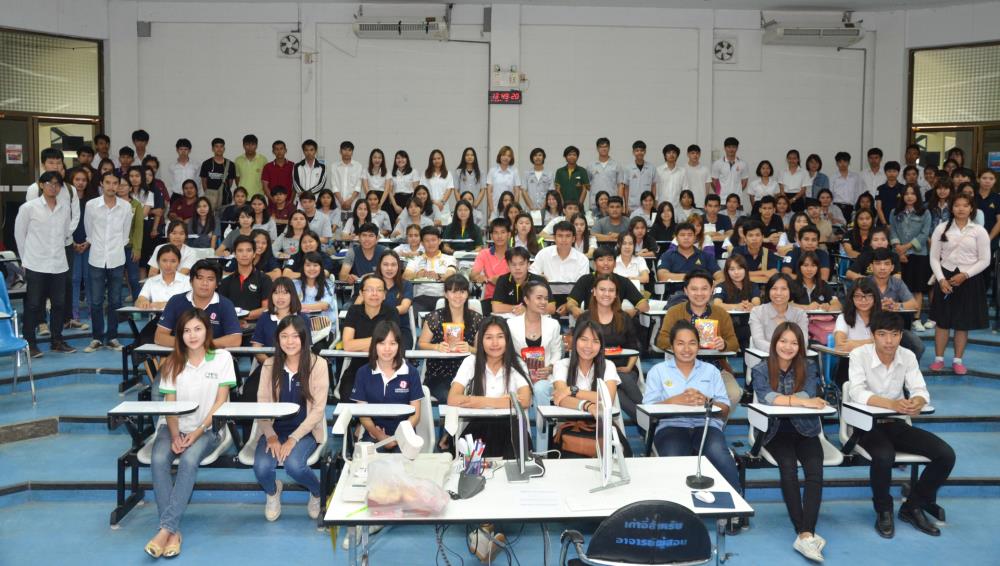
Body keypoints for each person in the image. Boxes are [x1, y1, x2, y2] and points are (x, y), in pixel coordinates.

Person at [848, 312, 955, 538]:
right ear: (873, 335)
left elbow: (920, 389)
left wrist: (917, 402)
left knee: (946, 455)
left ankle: (913, 506)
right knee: (884, 456)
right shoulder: (859, 354)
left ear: (901, 335)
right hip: (865, 425)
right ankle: (883, 510)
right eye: (882, 334)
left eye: (894, 334)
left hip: (896, 423)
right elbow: (856, 392)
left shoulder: (907, 356)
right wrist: (892, 404)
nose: (889, 340)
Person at [145, 309, 235, 559]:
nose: (192, 335)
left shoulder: (222, 358)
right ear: (180, 334)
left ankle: (165, 530)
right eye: (186, 330)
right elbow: (170, 405)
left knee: (189, 459)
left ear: (207, 330)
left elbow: (220, 402)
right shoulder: (172, 362)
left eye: (197, 329)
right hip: (172, 426)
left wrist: (197, 432)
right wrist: (175, 435)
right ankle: (172, 532)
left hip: (208, 428)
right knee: (158, 459)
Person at [751, 323, 828, 561]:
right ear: (775, 342)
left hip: (806, 430)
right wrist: (802, 401)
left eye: (794, 342)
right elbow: (768, 397)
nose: (788, 347)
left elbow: (809, 392)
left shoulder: (809, 366)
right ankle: (804, 533)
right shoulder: (760, 368)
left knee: (815, 470)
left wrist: (798, 399)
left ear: (800, 346)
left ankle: (806, 533)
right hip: (775, 432)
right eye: (783, 341)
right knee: (789, 468)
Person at [643, 320, 739, 490]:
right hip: (671, 426)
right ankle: (678, 504)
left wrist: (707, 402)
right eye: (680, 343)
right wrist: (674, 400)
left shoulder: (711, 371)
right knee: (674, 461)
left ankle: (735, 503)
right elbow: (647, 410)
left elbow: (724, 410)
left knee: (722, 458)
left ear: (699, 346)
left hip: (706, 426)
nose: (686, 349)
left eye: (692, 343)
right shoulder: (658, 371)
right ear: (672, 346)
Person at [253, 315, 329, 521]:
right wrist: (271, 436)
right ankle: (272, 492)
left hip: (304, 431)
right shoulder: (269, 365)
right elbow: (262, 405)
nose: (290, 341)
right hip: (274, 431)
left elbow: (318, 410)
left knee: (294, 465)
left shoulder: (318, 364)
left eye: (295, 336)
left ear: (304, 338)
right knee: (261, 467)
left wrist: (294, 438)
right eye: (284, 336)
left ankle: (317, 492)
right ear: (278, 339)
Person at [448, 316, 532, 458]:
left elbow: (525, 400)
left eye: (500, 337)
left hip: (511, 427)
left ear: (507, 339)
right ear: (481, 340)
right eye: (488, 337)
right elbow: (452, 398)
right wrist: (505, 401)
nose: (495, 343)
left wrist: (476, 401)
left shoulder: (517, 364)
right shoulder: (470, 362)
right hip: (478, 426)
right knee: (470, 463)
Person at [928, 193, 990, 375]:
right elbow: (934, 257)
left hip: (970, 277)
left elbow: (985, 260)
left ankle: (958, 360)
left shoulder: (979, 231)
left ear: (971, 208)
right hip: (945, 276)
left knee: (963, 323)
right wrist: (941, 279)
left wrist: (966, 274)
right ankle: (939, 359)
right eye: (957, 205)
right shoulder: (941, 228)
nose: (961, 209)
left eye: (965, 205)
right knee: (942, 321)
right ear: (951, 208)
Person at [15, 171, 76, 356]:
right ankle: (29, 343)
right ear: (41, 185)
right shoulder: (29, 208)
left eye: (57, 184)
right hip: (36, 263)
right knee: (34, 305)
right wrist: (25, 259)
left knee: (59, 304)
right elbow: (19, 234)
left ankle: (57, 340)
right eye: (49, 183)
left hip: (58, 263)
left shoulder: (64, 208)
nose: (53, 187)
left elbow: (65, 233)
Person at [575, 274, 642, 420]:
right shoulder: (584, 318)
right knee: (616, 386)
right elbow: (578, 349)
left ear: (616, 294)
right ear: (594, 291)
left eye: (611, 290)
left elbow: (634, 347)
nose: (606, 294)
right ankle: (647, 417)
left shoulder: (624, 317)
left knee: (623, 378)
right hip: (594, 369)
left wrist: (629, 367)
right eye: (602, 289)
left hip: (624, 368)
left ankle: (646, 420)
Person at [351, 320, 423, 453]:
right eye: (382, 343)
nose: (387, 349)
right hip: (374, 433)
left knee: (402, 463)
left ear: (399, 345)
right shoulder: (363, 373)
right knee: (371, 463)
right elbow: (363, 414)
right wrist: (379, 435)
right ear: (374, 345)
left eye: (392, 343)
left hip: (405, 434)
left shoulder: (411, 372)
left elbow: (416, 415)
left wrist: (398, 436)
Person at [84, 172, 133, 353]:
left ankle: (112, 337)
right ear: (101, 184)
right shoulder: (91, 205)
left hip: (117, 258)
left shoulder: (126, 207)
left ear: (119, 185)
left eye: (115, 183)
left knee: (115, 301)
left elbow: (125, 234)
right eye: (108, 182)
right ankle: (96, 338)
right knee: (96, 301)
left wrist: (115, 248)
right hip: (96, 258)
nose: (111, 186)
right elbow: (89, 231)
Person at [418, 274, 482, 402]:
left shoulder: (476, 319)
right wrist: (436, 347)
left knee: (479, 396)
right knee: (451, 398)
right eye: (453, 291)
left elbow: (481, 350)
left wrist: (470, 349)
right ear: (446, 294)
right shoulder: (434, 317)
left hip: (469, 373)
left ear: (467, 294)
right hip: (438, 374)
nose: (458, 296)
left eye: (462, 292)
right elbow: (422, 344)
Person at [155, 260, 243, 348]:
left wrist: (203, 345)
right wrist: (189, 344)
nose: (204, 283)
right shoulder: (176, 301)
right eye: (200, 278)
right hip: (182, 353)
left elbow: (236, 339)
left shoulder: (225, 305)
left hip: (213, 354)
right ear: (191, 281)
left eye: (210, 279)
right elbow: (159, 337)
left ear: (217, 284)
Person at [341, 274, 401, 399]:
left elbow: (391, 344)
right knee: (348, 397)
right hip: (357, 367)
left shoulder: (391, 312)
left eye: (379, 290)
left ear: (384, 294)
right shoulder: (353, 311)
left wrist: (359, 345)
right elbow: (347, 345)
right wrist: (379, 341)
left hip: (386, 366)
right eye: (369, 289)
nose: (374, 294)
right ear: (361, 293)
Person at [549, 320, 620, 417]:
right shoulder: (561, 365)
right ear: (575, 341)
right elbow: (561, 398)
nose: (589, 346)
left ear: (601, 346)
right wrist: (588, 406)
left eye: (595, 341)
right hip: (569, 422)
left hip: (601, 423)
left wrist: (572, 391)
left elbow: (608, 399)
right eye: (584, 339)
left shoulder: (608, 365)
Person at [507, 281, 563, 402]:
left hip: (545, 378)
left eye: (546, 298)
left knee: (540, 388)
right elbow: (508, 353)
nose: (543, 302)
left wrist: (550, 368)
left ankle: (543, 415)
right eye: (539, 298)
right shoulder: (511, 324)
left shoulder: (553, 324)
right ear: (526, 300)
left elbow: (557, 352)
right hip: (518, 375)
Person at [889, 185, 932, 331]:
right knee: (897, 287)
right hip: (898, 255)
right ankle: (897, 318)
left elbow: (924, 234)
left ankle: (916, 319)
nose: (909, 196)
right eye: (906, 193)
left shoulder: (925, 212)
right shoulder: (895, 212)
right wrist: (899, 251)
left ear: (917, 196)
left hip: (918, 255)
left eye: (913, 193)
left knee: (917, 288)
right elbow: (893, 231)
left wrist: (906, 247)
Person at [567, 246, 649, 318]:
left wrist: (635, 311)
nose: (605, 263)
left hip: (615, 323)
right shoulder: (585, 280)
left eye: (610, 260)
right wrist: (573, 308)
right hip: (590, 322)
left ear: (615, 264)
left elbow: (644, 304)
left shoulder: (623, 281)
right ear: (594, 264)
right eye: (601, 260)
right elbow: (570, 302)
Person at [133, 244, 192, 342]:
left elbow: (189, 304)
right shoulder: (151, 281)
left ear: (178, 262)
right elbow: (139, 300)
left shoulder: (188, 281)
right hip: (159, 321)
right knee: (141, 342)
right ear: (158, 262)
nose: (168, 265)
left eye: (173, 261)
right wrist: (142, 301)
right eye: (164, 260)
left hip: (183, 322)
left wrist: (164, 304)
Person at [529, 221, 590, 311]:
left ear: (573, 238)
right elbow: (531, 276)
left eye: (568, 236)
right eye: (560, 236)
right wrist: (539, 278)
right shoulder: (543, 254)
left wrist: (567, 306)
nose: (564, 240)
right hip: (546, 301)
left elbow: (582, 287)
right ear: (554, 238)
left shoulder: (582, 259)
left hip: (573, 302)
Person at [402, 226, 457, 319]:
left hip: (443, 297)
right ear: (422, 243)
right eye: (427, 241)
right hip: (421, 298)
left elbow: (451, 274)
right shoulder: (415, 259)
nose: (430, 243)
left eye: (433, 240)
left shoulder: (449, 258)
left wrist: (438, 276)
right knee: (409, 319)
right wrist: (418, 275)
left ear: (439, 241)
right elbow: (405, 276)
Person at [218, 235, 271, 325]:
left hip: (256, 327)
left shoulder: (265, 279)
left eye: (248, 250)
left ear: (254, 254)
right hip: (231, 326)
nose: (244, 254)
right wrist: (236, 320)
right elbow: (221, 309)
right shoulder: (225, 282)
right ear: (235, 254)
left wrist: (244, 316)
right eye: (240, 250)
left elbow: (266, 309)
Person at [750, 273, 809, 352]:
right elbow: (758, 341)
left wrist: (787, 352)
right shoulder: (757, 312)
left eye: (784, 289)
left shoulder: (800, 315)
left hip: (792, 356)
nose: (778, 293)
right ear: (768, 291)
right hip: (766, 356)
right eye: (774, 288)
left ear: (790, 291)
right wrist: (782, 351)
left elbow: (803, 342)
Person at [713, 254, 761, 349]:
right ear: (727, 272)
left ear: (745, 269)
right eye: (732, 269)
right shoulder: (721, 286)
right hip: (728, 326)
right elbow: (717, 304)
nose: (736, 272)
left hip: (747, 324)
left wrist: (750, 305)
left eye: (740, 268)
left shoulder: (753, 285)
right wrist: (737, 306)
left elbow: (756, 302)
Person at [493, 247, 552, 315]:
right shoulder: (502, 280)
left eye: (521, 264)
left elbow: (551, 308)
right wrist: (518, 308)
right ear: (508, 266)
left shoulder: (540, 281)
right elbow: (496, 307)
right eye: (513, 264)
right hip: (508, 319)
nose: (517, 268)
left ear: (528, 265)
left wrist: (527, 309)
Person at [470, 218, 512, 315]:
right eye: (496, 233)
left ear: (509, 234)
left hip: (511, 298)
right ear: (491, 236)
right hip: (490, 299)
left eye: (503, 232)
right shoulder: (484, 253)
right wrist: (481, 278)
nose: (499, 236)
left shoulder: (515, 254)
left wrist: (500, 281)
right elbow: (473, 275)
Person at [732, 220, 781, 284]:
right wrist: (764, 273)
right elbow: (734, 273)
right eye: (750, 235)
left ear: (762, 237)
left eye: (757, 235)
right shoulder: (737, 251)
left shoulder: (769, 253)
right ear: (745, 238)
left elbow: (772, 274)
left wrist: (746, 275)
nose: (754, 239)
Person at [711, 137, 750, 212]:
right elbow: (714, 182)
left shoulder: (743, 164)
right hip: (722, 201)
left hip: (737, 201)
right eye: (729, 147)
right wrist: (720, 193)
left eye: (733, 147)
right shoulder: (717, 163)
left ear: (737, 148)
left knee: (739, 219)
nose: (731, 149)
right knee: (721, 219)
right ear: (725, 148)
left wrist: (736, 193)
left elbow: (744, 182)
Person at [485, 146, 522, 218]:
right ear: (500, 156)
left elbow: (517, 192)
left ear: (511, 158)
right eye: (504, 155)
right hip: (495, 208)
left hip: (510, 209)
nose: (506, 158)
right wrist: (491, 208)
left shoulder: (515, 171)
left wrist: (514, 208)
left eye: (508, 156)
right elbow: (489, 192)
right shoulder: (492, 171)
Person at [199, 138, 235, 210]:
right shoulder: (206, 164)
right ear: (212, 149)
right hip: (210, 200)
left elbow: (230, 183)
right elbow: (204, 182)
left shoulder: (230, 164)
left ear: (224, 149)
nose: (219, 149)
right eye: (216, 146)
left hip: (226, 200)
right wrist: (209, 195)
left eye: (221, 146)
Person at [622, 141, 655, 213]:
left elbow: (653, 186)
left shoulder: (651, 167)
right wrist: (626, 206)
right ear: (633, 152)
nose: (639, 152)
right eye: (637, 150)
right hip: (632, 206)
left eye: (642, 150)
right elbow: (626, 188)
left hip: (648, 205)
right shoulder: (628, 168)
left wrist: (654, 204)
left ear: (645, 152)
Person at [654, 143, 688, 210]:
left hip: (677, 207)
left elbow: (685, 189)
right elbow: (656, 190)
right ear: (665, 155)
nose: (671, 155)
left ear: (677, 155)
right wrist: (655, 205)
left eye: (674, 152)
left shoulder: (682, 171)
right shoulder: (658, 171)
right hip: (661, 206)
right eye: (669, 152)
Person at [233, 134, 267, 199]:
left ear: (256, 145)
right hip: (242, 196)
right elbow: (237, 178)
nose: (250, 147)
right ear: (243, 146)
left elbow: (265, 179)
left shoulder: (263, 159)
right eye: (247, 144)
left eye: (253, 144)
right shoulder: (238, 160)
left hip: (258, 195)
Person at [362, 149, 391, 218]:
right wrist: (371, 200)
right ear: (371, 159)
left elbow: (387, 189)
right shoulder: (365, 171)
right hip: (370, 197)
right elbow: (366, 188)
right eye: (375, 157)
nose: (377, 160)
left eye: (379, 158)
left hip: (383, 199)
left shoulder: (387, 171)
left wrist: (380, 204)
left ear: (382, 159)